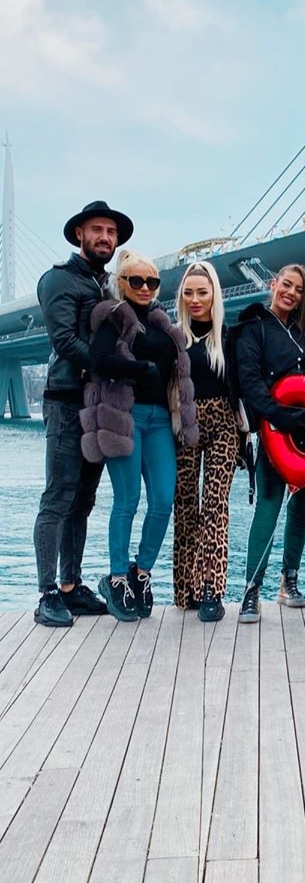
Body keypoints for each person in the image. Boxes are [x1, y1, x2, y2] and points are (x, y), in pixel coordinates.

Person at [81, 250, 199, 622]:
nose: (145, 287)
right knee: (127, 500)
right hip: (124, 417)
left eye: (152, 281)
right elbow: (98, 361)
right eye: (136, 280)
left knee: (163, 499)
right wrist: (138, 368)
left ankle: (141, 572)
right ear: (122, 282)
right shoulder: (112, 317)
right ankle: (116, 578)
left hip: (161, 419)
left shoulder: (163, 322)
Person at [33, 200, 134, 628]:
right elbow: (65, 341)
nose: (105, 238)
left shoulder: (105, 284)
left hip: (98, 404)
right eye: (97, 230)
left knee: (83, 500)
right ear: (80, 234)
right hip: (66, 399)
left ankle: (71, 586)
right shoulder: (59, 279)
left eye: (111, 232)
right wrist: (116, 367)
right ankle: (47, 594)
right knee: (58, 496)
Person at [231, 263, 305, 624]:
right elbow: (249, 381)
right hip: (273, 430)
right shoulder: (254, 327)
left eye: (299, 289)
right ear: (273, 283)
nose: (291, 293)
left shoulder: (304, 333)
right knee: (268, 504)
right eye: (287, 285)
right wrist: (278, 416)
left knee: (301, 506)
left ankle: (289, 580)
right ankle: (252, 590)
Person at [173, 261, 243, 623]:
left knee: (215, 506)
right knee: (185, 506)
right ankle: (186, 589)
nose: (195, 299)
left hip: (223, 427)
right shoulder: (174, 338)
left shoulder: (228, 337)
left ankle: (211, 591)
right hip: (184, 425)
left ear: (215, 293)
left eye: (202, 292)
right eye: (188, 293)